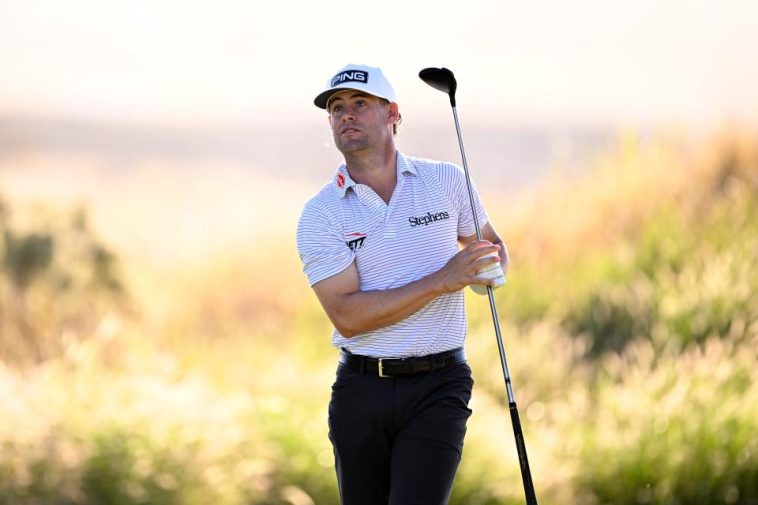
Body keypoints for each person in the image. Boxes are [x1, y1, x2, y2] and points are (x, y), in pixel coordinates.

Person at [296, 63, 509, 505]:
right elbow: (349, 317)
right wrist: (444, 280)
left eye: (360, 103)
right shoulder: (320, 214)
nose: (346, 115)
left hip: (440, 384)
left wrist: (487, 266)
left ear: (393, 113)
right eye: (336, 108)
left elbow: (489, 245)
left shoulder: (446, 180)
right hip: (361, 391)